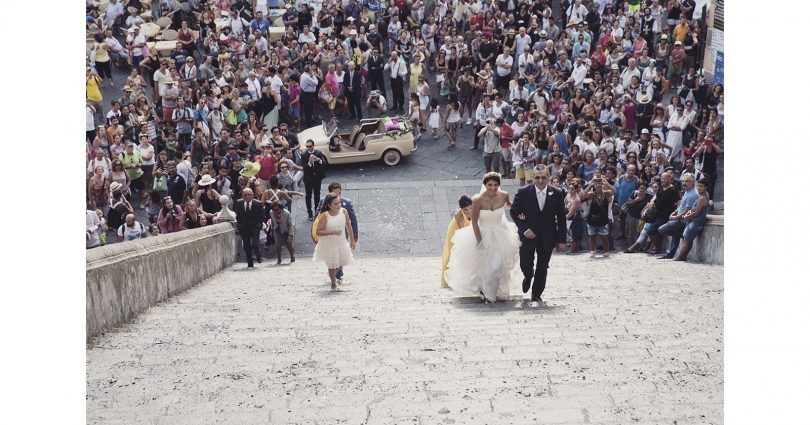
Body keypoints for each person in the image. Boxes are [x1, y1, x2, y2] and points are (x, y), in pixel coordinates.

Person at [445, 172, 523, 304]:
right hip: (482, 233)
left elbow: (510, 205)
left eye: (496, 185)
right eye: (490, 185)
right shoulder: (477, 199)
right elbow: (474, 221)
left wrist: (521, 211)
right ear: (485, 185)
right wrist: (479, 240)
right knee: (484, 266)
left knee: (497, 265)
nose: (493, 188)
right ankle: (486, 291)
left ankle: (490, 294)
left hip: (501, 233)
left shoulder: (503, 195)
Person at [509, 165, 568, 307]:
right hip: (528, 236)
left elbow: (561, 218)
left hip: (547, 236)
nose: (540, 180)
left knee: (542, 266)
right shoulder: (523, 192)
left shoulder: (557, 193)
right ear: (533, 177)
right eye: (537, 177)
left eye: (543, 177)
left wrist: (561, 240)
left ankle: (536, 294)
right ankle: (528, 276)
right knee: (526, 264)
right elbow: (514, 212)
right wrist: (524, 229)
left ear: (548, 177)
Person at [315, 182, 359, 282]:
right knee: (332, 260)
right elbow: (317, 219)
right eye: (335, 193)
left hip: (342, 236)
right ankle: (334, 278)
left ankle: (335, 275)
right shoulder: (323, 202)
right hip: (328, 238)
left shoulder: (346, 203)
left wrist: (354, 237)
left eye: (339, 193)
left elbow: (352, 221)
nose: (338, 196)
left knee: (342, 258)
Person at [656, 172, 699, 260]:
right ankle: (669, 254)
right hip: (680, 218)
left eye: (686, 181)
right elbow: (682, 206)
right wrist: (675, 212)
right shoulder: (688, 191)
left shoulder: (692, 194)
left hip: (683, 220)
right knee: (674, 236)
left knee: (661, 229)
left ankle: (683, 235)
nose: (684, 183)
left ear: (692, 182)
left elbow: (687, 211)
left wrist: (675, 217)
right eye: (683, 181)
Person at [440, 195, 473, 288]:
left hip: (466, 229)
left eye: (470, 208)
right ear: (461, 209)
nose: (469, 211)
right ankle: (446, 280)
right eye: (466, 210)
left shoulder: (474, 207)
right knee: (451, 253)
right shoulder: (459, 215)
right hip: (455, 231)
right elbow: (462, 231)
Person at [580, 176, 616, 258]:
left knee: (605, 237)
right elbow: (583, 194)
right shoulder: (591, 194)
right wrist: (590, 184)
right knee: (592, 236)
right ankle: (592, 250)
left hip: (603, 219)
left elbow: (614, 191)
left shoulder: (606, 193)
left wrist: (606, 183)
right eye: (596, 184)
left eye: (599, 183)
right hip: (592, 218)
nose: (598, 185)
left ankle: (606, 251)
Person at [235, 187, 264, 268]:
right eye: (245, 195)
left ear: (252, 195)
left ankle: (258, 255)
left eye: (249, 195)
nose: (247, 196)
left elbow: (262, 216)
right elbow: (238, 215)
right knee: (246, 245)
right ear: (242, 195)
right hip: (244, 227)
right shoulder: (238, 203)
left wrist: (259, 225)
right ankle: (250, 263)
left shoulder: (258, 203)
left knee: (255, 244)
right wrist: (239, 225)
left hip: (254, 227)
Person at [301, 139, 327, 221]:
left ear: (313, 146)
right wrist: (309, 162)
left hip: (317, 178)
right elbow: (305, 168)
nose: (309, 148)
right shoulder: (304, 155)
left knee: (317, 195)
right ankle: (310, 213)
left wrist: (318, 159)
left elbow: (324, 164)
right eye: (307, 146)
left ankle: (317, 211)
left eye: (310, 146)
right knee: (308, 196)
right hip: (308, 179)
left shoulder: (318, 153)